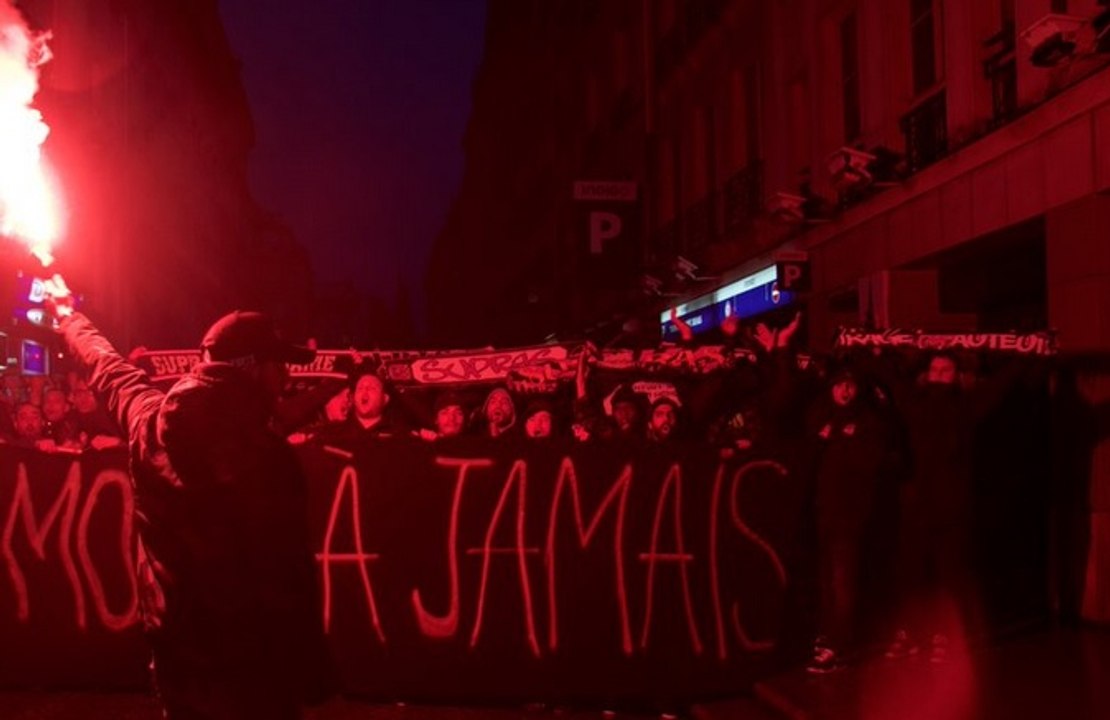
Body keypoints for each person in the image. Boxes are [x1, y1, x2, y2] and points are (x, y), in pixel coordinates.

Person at [44, 275, 333, 719]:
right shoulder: (266, 458)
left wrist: (68, 315)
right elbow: (286, 578)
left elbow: (108, 367)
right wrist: (311, 674)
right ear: (253, 367)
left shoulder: (148, 421)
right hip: (255, 674)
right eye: (281, 364)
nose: (286, 376)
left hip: (178, 662)